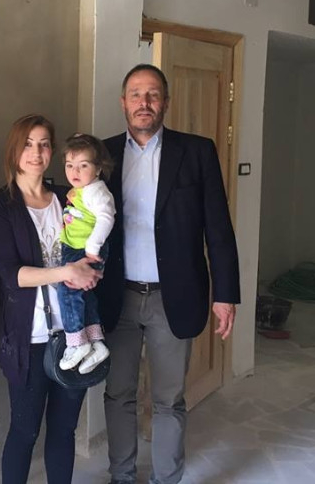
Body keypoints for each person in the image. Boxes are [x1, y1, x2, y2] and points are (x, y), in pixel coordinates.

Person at [96, 64, 240, 484]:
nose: (144, 102)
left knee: (169, 399)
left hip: (173, 296)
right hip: (117, 297)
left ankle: (166, 479)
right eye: (136, 94)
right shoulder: (103, 155)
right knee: (118, 394)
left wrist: (225, 293)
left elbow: (218, 228)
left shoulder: (196, 152)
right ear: (123, 103)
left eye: (153, 94)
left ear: (166, 103)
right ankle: (121, 476)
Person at [0, 114, 102, 484]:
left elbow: (98, 240)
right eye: (28, 144)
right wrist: (68, 272)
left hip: (74, 337)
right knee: (24, 431)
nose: (36, 152)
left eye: (44, 144)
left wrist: (93, 268)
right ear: (14, 149)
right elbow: (12, 274)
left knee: (64, 431)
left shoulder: (70, 197)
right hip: (29, 339)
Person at [57, 133, 116, 374]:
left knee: (67, 290)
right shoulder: (82, 189)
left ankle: (76, 342)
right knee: (84, 296)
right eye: (70, 165)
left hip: (84, 250)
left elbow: (106, 218)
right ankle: (95, 341)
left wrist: (92, 247)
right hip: (76, 247)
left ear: (98, 168)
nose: (75, 171)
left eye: (83, 165)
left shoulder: (96, 191)